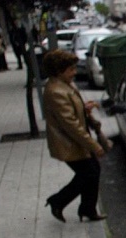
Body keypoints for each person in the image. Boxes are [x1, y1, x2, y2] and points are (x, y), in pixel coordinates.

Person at [43, 48, 112, 223]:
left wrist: (84, 107)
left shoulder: (65, 84)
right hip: (69, 142)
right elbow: (70, 125)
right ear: (59, 71)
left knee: (92, 172)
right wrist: (94, 146)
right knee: (89, 173)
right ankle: (58, 201)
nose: (74, 73)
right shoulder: (55, 91)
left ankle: (87, 209)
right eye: (71, 69)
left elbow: (73, 111)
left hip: (76, 141)